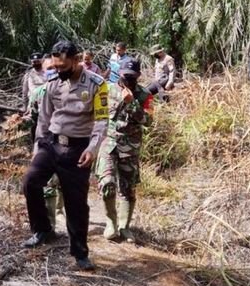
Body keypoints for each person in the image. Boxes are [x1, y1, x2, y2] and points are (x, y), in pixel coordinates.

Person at [21, 40, 109, 271]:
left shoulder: (96, 84)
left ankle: (80, 253)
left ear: (77, 59)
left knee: (76, 203)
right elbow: (44, 119)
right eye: (55, 67)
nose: (58, 70)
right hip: (51, 144)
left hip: (78, 149)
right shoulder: (52, 83)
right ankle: (43, 229)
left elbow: (101, 121)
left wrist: (92, 148)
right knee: (30, 181)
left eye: (63, 66)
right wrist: (37, 148)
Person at [96, 59, 153, 243]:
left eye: (132, 76)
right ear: (119, 73)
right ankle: (111, 223)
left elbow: (148, 122)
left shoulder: (144, 95)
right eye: (125, 75)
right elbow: (96, 114)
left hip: (130, 147)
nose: (128, 79)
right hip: (108, 142)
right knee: (107, 182)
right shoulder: (107, 89)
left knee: (128, 188)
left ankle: (124, 227)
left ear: (138, 76)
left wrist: (132, 103)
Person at [26, 57, 64, 231]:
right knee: (48, 184)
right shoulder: (38, 93)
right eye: (49, 68)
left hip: (68, 144)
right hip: (46, 144)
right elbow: (32, 119)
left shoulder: (71, 90)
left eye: (55, 68)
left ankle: (61, 211)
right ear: (43, 70)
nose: (52, 71)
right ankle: (50, 227)